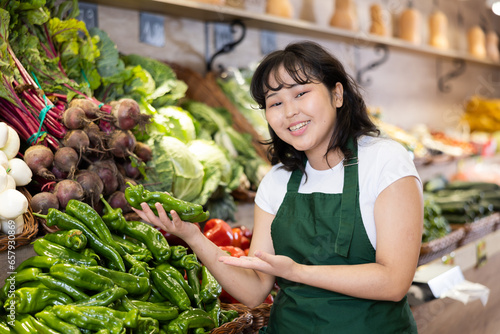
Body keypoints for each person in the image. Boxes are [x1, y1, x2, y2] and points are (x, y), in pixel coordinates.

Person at [133, 41, 423, 334]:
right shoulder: (277, 180)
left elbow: (394, 282)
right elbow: (254, 290)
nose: (289, 112)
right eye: (275, 103)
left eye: (301, 93)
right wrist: (192, 237)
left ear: (337, 94)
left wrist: (297, 272)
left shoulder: (384, 161)